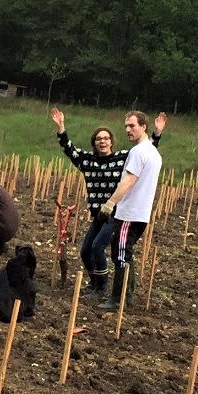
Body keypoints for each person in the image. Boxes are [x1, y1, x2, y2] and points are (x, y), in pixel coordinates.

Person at [52, 108, 166, 295]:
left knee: (97, 248)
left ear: (111, 142)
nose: (102, 141)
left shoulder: (123, 158)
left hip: (114, 213)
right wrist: (61, 127)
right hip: (98, 214)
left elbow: (148, 150)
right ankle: (95, 282)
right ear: (94, 143)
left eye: (106, 138)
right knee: (85, 251)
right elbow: (69, 149)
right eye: (98, 139)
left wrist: (157, 133)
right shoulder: (87, 161)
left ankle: (102, 287)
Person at [96, 111, 162, 312]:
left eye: (132, 125)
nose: (127, 130)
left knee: (121, 255)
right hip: (140, 214)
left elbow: (129, 181)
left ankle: (119, 299)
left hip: (129, 214)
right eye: (126, 126)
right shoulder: (153, 152)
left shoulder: (138, 152)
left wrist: (109, 204)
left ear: (143, 127)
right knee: (125, 253)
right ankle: (128, 295)